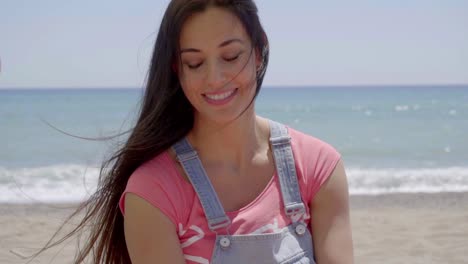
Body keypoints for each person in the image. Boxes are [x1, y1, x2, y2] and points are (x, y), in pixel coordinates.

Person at [44, 0, 353, 263]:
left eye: (230, 57)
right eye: (194, 63)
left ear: (259, 53)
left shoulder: (317, 167)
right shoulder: (153, 191)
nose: (214, 78)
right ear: (177, 70)